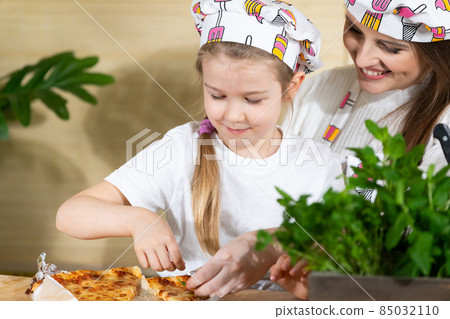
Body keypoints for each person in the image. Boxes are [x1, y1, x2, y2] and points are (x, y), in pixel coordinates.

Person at [56, 0, 344, 298]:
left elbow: (347, 259)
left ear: (292, 86)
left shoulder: (320, 165)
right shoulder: (182, 148)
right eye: (217, 95)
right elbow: (70, 214)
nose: (233, 115)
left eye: (253, 100)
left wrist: (304, 274)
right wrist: (139, 219)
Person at [271, 0, 450, 299]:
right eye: (354, 30)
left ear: (439, 48)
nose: (363, 58)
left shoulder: (444, 123)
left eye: (391, 47)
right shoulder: (318, 89)